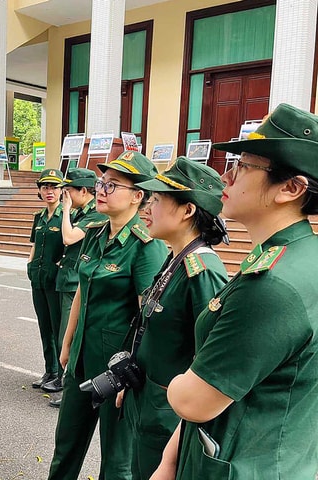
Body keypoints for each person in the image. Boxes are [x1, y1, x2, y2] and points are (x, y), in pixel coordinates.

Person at [152, 104, 318, 479]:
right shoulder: (297, 256)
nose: (226, 176)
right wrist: (170, 460)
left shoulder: (272, 284)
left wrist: (176, 380)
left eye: (244, 166)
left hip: (245, 465)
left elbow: (195, 400)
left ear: (290, 188)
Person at [48, 151, 168, 480]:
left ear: (138, 196)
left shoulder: (146, 246)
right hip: (82, 359)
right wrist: (67, 342)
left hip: (117, 369)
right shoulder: (97, 234)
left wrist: (133, 376)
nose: (101, 189)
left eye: (113, 185)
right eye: (102, 182)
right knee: (66, 446)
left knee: (116, 461)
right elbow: (82, 293)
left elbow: (150, 317)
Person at [107, 157, 228, 479]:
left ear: (188, 210)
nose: (147, 208)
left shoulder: (202, 272)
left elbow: (210, 358)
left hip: (167, 414)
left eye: (157, 200)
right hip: (144, 399)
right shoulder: (175, 258)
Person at [49, 168, 107, 408]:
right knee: (62, 333)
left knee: (70, 336)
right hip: (68, 277)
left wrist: (64, 210)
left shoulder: (94, 214)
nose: (66, 195)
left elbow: (69, 238)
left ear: (84, 191)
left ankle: (70, 388)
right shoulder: (82, 212)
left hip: (76, 282)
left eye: (69, 191)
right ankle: (63, 382)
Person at [27, 168, 67, 394]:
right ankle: (49, 371)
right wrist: (29, 265)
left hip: (55, 281)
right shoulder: (39, 217)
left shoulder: (66, 216)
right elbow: (34, 245)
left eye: (54, 187)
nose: (49, 191)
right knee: (44, 327)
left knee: (58, 328)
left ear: (62, 191)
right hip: (38, 278)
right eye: (45, 187)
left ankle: (61, 376)